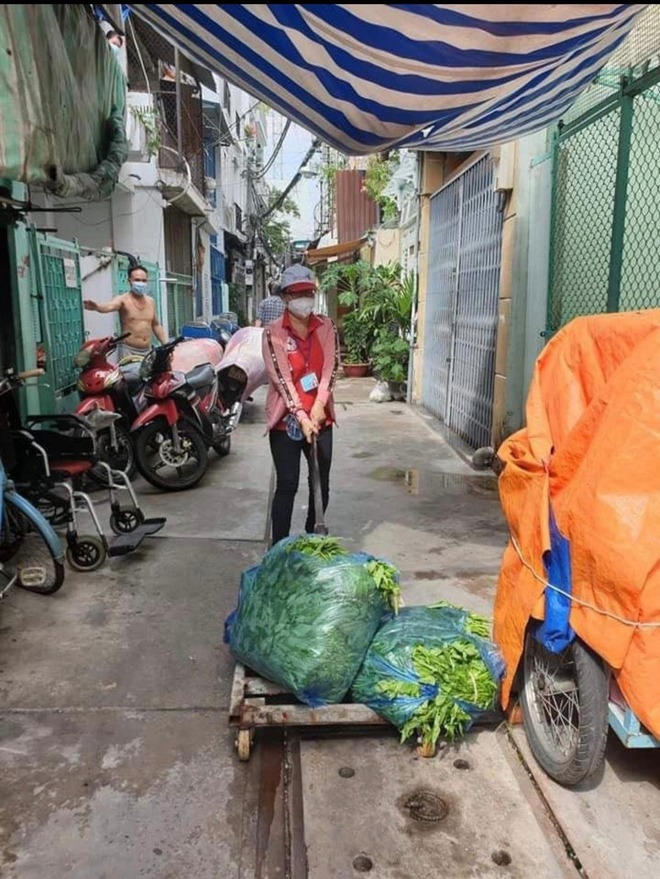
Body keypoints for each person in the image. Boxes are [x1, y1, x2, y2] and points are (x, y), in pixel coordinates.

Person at [262, 264, 339, 545]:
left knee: (321, 482)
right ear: (285, 298)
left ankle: (311, 541)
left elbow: (330, 368)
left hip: (321, 418)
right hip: (286, 423)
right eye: (297, 294)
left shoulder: (326, 327)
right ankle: (278, 548)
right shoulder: (273, 334)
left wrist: (318, 407)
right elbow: (282, 380)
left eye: (308, 292)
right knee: (287, 484)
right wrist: (302, 416)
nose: (304, 298)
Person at [83, 265, 167, 361]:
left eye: (144, 281)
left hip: (147, 351)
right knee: (130, 375)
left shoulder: (150, 301)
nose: (141, 283)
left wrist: (166, 344)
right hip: (129, 351)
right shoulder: (123, 300)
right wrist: (97, 307)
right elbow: (110, 306)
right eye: (137, 280)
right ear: (129, 281)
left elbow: (156, 325)